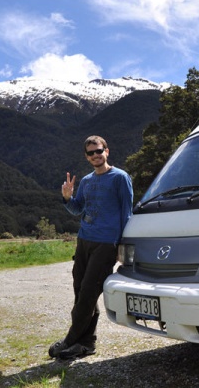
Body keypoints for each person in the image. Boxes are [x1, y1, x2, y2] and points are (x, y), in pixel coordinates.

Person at [49, 135, 133, 360]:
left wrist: (122, 245)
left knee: (88, 293)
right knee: (81, 291)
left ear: (107, 151)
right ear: (87, 157)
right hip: (84, 240)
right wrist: (68, 198)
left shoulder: (120, 178)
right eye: (91, 153)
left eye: (99, 151)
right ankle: (86, 343)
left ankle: (70, 339)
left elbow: (126, 212)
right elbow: (78, 209)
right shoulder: (86, 181)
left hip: (106, 244)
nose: (96, 155)